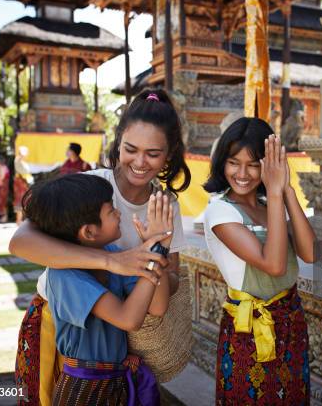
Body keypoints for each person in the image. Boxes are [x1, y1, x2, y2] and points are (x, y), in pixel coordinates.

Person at [10, 88, 191, 405]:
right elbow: (21, 241)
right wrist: (112, 262)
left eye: (153, 154)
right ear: (118, 142)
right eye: (131, 149)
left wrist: (156, 248)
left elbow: (169, 283)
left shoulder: (165, 206)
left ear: (170, 153)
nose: (139, 162)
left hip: (118, 341)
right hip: (64, 326)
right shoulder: (93, 187)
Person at [21, 173, 171, 405]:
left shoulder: (113, 254)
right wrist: (155, 255)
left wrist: (157, 247)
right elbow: (129, 319)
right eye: (111, 211)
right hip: (84, 387)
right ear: (89, 232)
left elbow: (158, 306)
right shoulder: (65, 275)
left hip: (116, 379)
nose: (119, 213)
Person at [203, 117, 316, 405]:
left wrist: (286, 189)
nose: (242, 173)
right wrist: (277, 196)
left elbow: (310, 253)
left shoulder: (271, 206)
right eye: (233, 162)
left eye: (253, 164)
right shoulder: (221, 211)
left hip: (290, 322)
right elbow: (274, 265)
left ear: (269, 165)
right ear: (221, 163)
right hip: (250, 330)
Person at [14, 146, 33, 225]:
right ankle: (18, 220)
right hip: (21, 182)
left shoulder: (22, 161)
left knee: (25, 200)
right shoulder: (18, 160)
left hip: (24, 182)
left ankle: (21, 220)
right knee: (20, 200)